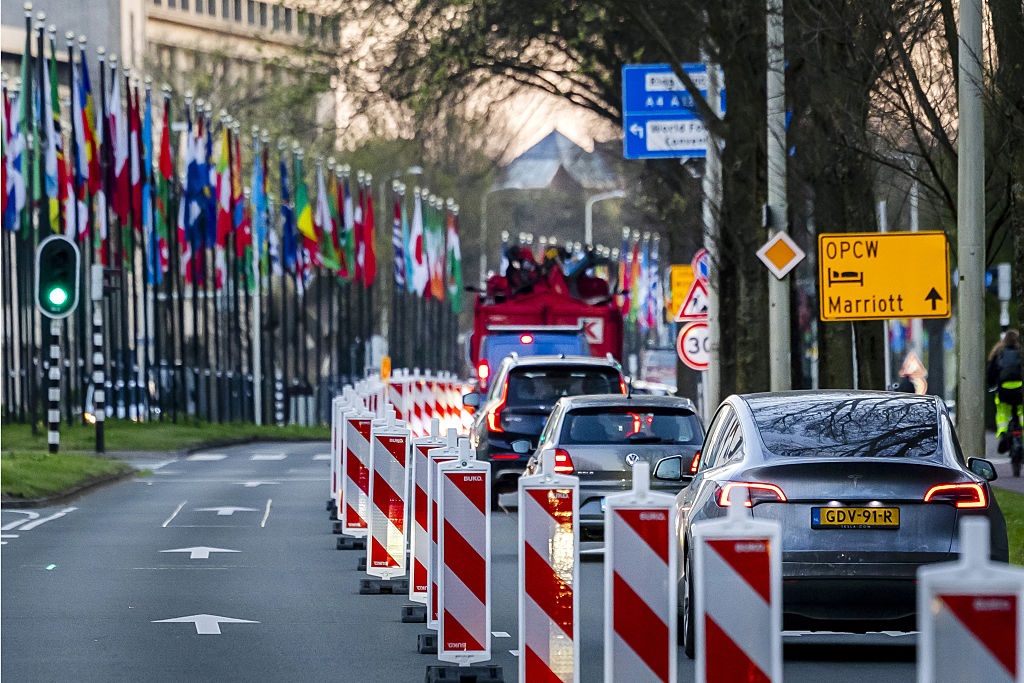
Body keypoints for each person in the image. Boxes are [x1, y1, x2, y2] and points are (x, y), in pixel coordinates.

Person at [986, 329, 1023, 455]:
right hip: (1020, 389)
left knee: (1002, 411)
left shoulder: (998, 352)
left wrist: (991, 384)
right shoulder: (1021, 351)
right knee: (1022, 410)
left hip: (1004, 390)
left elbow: (991, 372)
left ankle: (1003, 432)